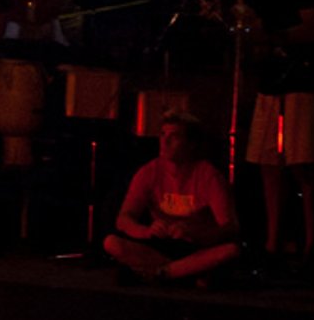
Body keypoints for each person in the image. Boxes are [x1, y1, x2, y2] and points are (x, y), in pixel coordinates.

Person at [246, 0, 314, 259]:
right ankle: (272, 238)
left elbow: (313, 26)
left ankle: (312, 241)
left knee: (302, 163)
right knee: (267, 160)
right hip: (269, 78)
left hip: (301, 76)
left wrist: (274, 36)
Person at [104, 112, 242, 285]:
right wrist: (147, 231)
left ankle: (160, 273)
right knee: (111, 243)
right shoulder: (149, 172)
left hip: (196, 246)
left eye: (174, 136)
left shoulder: (208, 176)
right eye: (162, 134)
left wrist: (195, 234)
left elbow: (230, 227)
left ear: (191, 144)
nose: (165, 141)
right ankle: (183, 273)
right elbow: (123, 219)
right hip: (161, 245)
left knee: (230, 251)